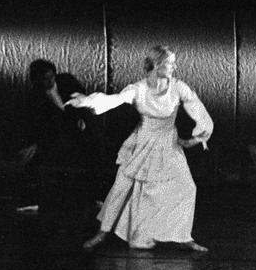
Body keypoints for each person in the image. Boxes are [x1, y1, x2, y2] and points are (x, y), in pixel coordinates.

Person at [69, 46, 213, 252]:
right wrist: (87, 101)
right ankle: (102, 233)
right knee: (122, 188)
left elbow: (196, 107)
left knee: (186, 188)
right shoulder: (138, 89)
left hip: (168, 143)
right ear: (156, 65)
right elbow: (114, 100)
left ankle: (182, 236)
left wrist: (198, 137)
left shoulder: (178, 87)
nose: (174, 67)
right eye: (170, 63)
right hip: (142, 143)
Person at [16, 59, 107, 213]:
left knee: (93, 154)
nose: (49, 81)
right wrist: (34, 143)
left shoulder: (67, 80)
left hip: (76, 124)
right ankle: (31, 200)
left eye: (51, 77)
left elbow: (81, 96)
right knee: (32, 160)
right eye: (44, 79)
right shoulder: (34, 96)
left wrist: (79, 116)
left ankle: (97, 197)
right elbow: (35, 123)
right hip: (54, 130)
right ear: (36, 79)